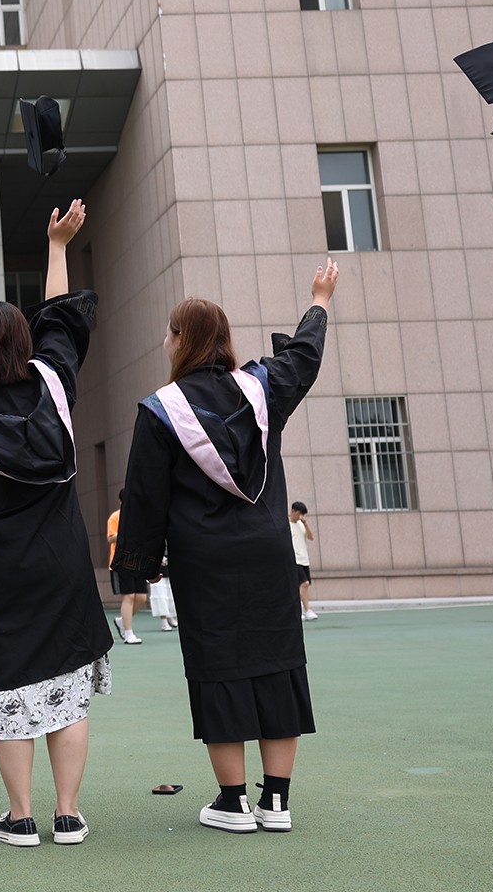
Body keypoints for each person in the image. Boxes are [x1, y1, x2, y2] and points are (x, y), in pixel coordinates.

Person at [113, 259, 340, 836]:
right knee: (278, 663)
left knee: (219, 670)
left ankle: (234, 803)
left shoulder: (161, 410)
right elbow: (304, 357)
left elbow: (144, 494)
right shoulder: (261, 389)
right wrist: (319, 301)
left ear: (180, 340)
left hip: (204, 562)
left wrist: (140, 566)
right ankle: (277, 801)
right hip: (268, 554)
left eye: (169, 333)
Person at [0, 200, 110, 848]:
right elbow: (60, 317)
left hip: (3, 573)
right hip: (63, 563)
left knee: (13, 688)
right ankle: (68, 814)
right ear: (26, 347)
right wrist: (57, 247)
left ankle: (21, 816)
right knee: (68, 687)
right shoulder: (54, 387)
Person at [107, 491, 147, 644]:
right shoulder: (115, 517)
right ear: (120, 501)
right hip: (121, 561)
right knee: (129, 596)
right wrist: (124, 532)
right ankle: (129, 633)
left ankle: (121, 621)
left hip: (138, 561)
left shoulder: (139, 518)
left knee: (141, 598)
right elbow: (110, 538)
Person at [290, 502, 317, 620]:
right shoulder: (287, 525)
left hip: (304, 559)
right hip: (294, 560)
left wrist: (305, 524)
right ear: (293, 511)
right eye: (299, 513)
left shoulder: (301, 525)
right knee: (304, 583)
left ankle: (299, 610)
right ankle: (307, 610)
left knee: (303, 585)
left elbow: (311, 537)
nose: (301, 516)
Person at [147, 561, 178, 631]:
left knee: (170, 596)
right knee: (160, 596)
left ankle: (169, 616)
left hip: (169, 569)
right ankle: (164, 622)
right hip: (157, 571)